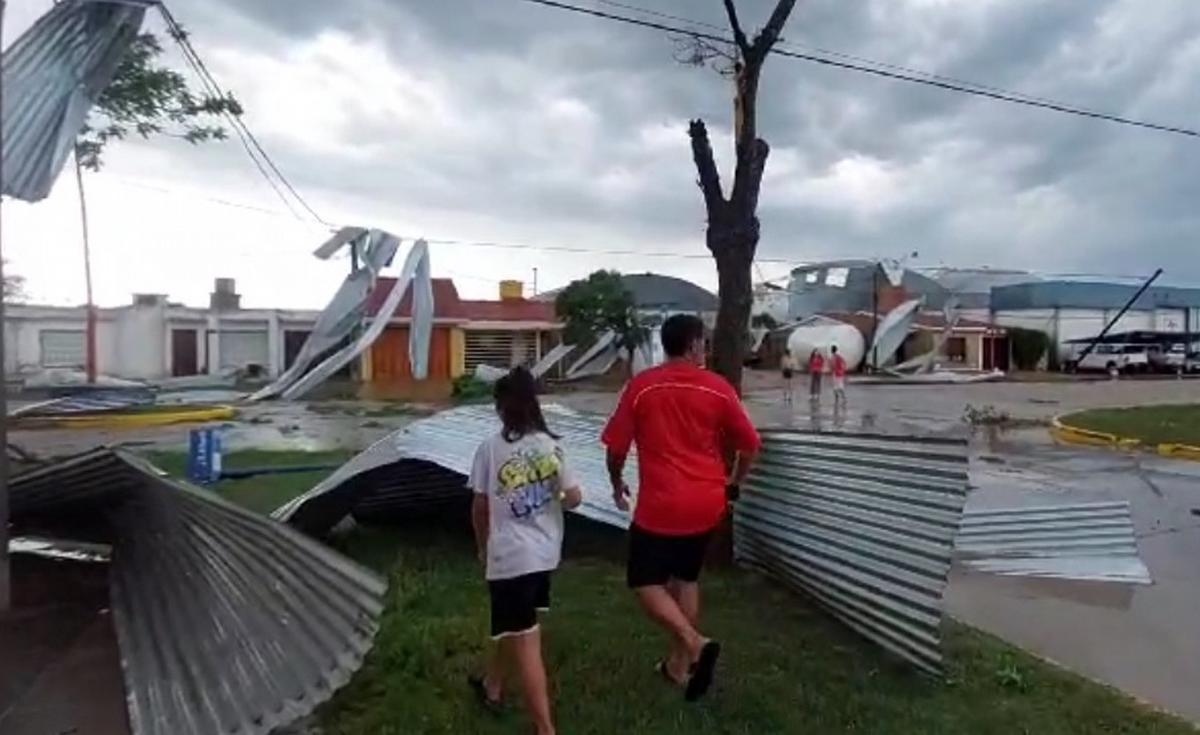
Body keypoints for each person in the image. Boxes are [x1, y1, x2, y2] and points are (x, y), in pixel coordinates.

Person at [601, 314, 761, 702]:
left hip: (662, 504)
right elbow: (750, 445)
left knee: (644, 581)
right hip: (707, 501)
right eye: (702, 342)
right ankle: (678, 666)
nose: (704, 349)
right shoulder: (718, 388)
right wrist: (734, 483)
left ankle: (693, 642)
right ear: (691, 345)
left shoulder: (641, 387)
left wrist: (616, 481)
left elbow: (617, 448)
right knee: (685, 579)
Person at [469, 367, 583, 735]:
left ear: (501, 407)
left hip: (509, 559)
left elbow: (480, 507)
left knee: (527, 642)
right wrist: (548, 502)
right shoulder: (551, 447)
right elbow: (575, 498)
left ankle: (545, 729)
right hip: (544, 557)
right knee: (517, 627)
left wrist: (482, 546)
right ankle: (493, 686)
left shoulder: (490, 448)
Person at [830, 344, 848, 411]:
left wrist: (842, 370)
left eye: (832, 349)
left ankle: (843, 398)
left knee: (839, 387)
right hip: (836, 373)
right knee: (835, 387)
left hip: (838, 374)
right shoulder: (834, 357)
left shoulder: (837, 357)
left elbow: (843, 363)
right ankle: (837, 399)